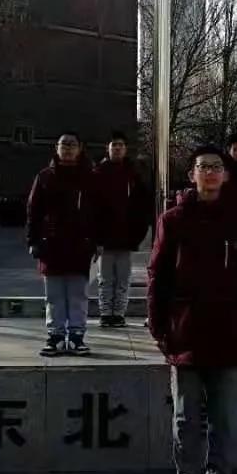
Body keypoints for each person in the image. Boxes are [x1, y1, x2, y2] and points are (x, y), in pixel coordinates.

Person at [147, 145, 237, 474]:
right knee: (187, 417)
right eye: (203, 167)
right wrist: (159, 327)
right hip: (186, 333)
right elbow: (157, 276)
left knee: (224, 417)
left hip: (229, 333)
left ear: (226, 175)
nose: (210, 173)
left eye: (216, 167)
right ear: (192, 174)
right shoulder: (174, 219)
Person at [27, 131, 97, 357]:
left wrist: (97, 240)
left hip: (80, 245)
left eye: (72, 144)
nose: (67, 148)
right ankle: (55, 335)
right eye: (63, 144)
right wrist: (33, 240)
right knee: (54, 295)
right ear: (56, 148)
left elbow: (100, 212)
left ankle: (76, 336)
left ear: (80, 148)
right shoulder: (45, 177)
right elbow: (33, 211)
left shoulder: (89, 177)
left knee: (78, 294)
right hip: (51, 245)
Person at [93, 131, 151, 329]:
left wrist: (137, 234)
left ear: (125, 149)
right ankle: (105, 312)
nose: (117, 148)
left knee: (123, 279)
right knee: (105, 279)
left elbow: (142, 206)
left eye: (120, 145)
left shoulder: (133, 174)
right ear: (107, 148)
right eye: (113, 145)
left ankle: (118, 313)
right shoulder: (98, 173)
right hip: (104, 239)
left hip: (126, 237)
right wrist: (96, 237)